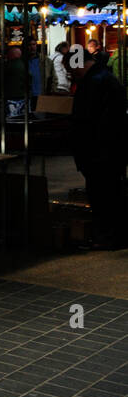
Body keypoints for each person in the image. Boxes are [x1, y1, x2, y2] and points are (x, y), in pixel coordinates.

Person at [71, 51, 128, 249]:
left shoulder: (94, 82)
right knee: (111, 194)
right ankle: (113, 236)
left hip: (100, 153)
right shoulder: (103, 78)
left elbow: (89, 121)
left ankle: (109, 237)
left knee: (104, 196)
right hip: (107, 152)